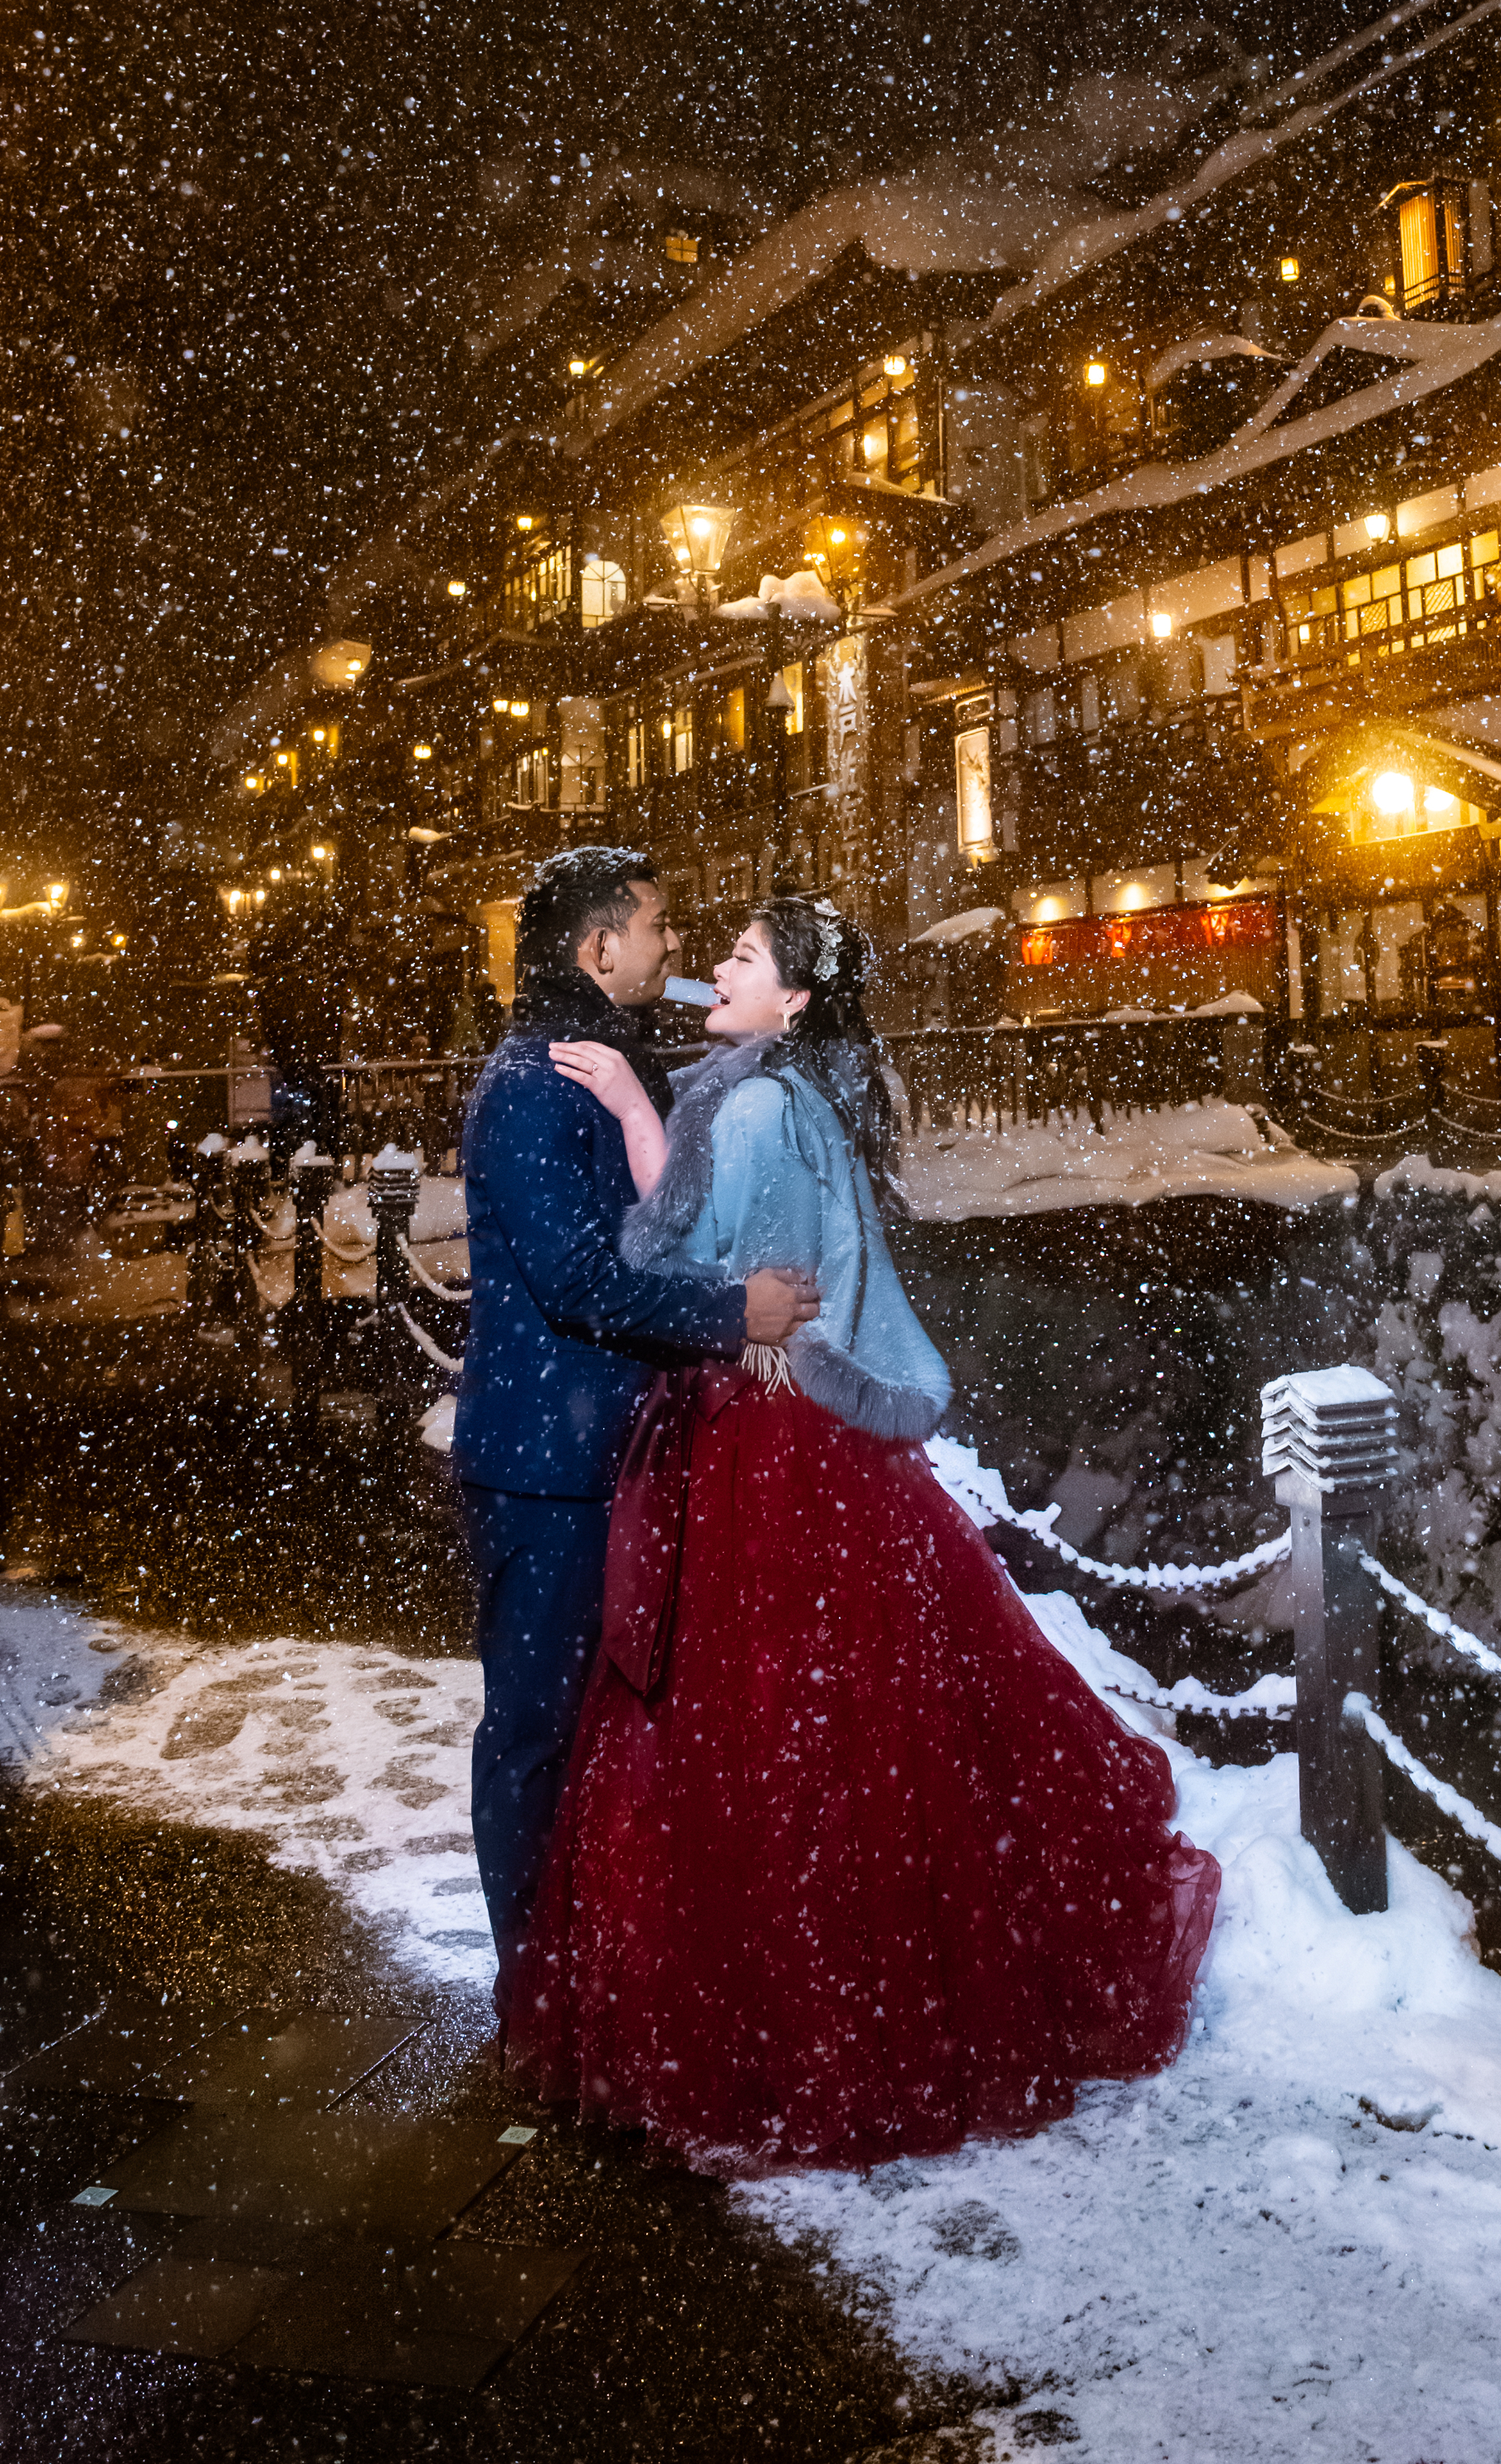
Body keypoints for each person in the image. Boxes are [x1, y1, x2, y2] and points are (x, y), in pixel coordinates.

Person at [505, 889, 1221, 2166]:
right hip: (760, 1428)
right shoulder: (754, 1089)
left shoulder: (766, 1102)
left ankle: (797, 2022)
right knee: (810, 1722)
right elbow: (726, 1264)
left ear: (797, 1002)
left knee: (766, 1726)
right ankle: (827, 1998)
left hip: (765, 1439)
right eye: (711, 950)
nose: (710, 968)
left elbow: (732, 1282)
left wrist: (627, 1116)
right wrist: (639, 1115)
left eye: (741, 957)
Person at [456, 847, 820, 2018]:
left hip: (610, 1455)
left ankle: (593, 1966)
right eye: (656, 926)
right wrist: (735, 1316)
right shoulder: (531, 1083)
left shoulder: (601, 1071)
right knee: (537, 1732)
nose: (671, 946)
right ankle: (537, 1991)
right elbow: (574, 1278)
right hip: (549, 1472)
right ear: (599, 947)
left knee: (610, 1729)